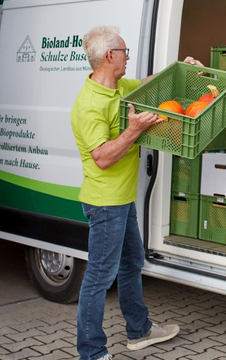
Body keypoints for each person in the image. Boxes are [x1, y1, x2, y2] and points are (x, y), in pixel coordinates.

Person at [71, 25, 202, 360]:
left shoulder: (119, 88)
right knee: (99, 277)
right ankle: (91, 352)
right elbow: (102, 158)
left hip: (122, 199)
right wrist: (133, 131)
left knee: (131, 262)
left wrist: (181, 67)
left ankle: (139, 331)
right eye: (124, 52)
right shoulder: (89, 104)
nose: (128, 57)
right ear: (109, 56)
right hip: (105, 203)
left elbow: (148, 83)